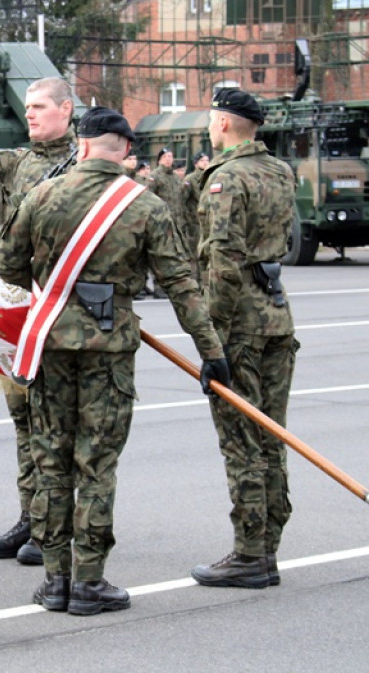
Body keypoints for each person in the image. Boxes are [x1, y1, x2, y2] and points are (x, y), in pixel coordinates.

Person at [0, 106, 229, 616]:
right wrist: (210, 351)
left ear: (81, 145)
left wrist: (57, 288)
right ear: (124, 150)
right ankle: (89, 581)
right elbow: (180, 284)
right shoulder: (145, 205)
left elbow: (8, 267)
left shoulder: (41, 195)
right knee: (97, 465)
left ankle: (55, 580)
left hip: (50, 344)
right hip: (109, 349)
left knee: (51, 461)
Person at [190, 88, 298, 589]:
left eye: (212, 119)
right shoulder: (280, 170)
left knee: (242, 441)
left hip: (241, 324)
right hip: (277, 312)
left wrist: (210, 337)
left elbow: (224, 260)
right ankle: (268, 548)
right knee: (272, 437)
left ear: (223, 124)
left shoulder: (227, 179)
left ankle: (249, 553)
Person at [0, 76, 79, 567]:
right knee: (23, 418)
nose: (30, 113)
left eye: (39, 106)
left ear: (66, 108)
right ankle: (29, 517)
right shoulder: (18, 162)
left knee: (53, 424)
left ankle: (54, 525)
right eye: (28, 106)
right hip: (18, 310)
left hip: (59, 311)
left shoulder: (83, 164)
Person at [181, 151, 210, 267]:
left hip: (208, 220)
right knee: (195, 253)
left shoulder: (211, 176)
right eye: (202, 161)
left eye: (207, 160)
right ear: (196, 163)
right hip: (195, 222)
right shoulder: (190, 179)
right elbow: (182, 200)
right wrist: (187, 218)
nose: (205, 163)